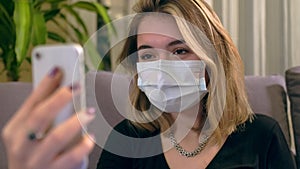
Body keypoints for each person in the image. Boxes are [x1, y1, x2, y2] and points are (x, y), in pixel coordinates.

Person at [1, 0, 296, 169]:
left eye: (180, 50)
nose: (164, 68)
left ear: (212, 60)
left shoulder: (262, 136)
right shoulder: (126, 140)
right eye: (149, 55)